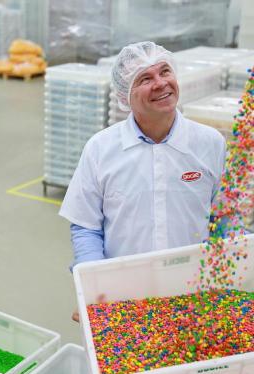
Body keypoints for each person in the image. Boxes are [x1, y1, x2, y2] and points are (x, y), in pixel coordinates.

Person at [59, 41, 227, 301]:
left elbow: (225, 218)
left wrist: (229, 274)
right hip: (124, 293)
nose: (160, 83)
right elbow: (86, 226)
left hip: (194, 289)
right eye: (145, 78)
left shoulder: (210, 143)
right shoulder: (101, 149)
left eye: (165, 71)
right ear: (126, 94)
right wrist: (93, 287)